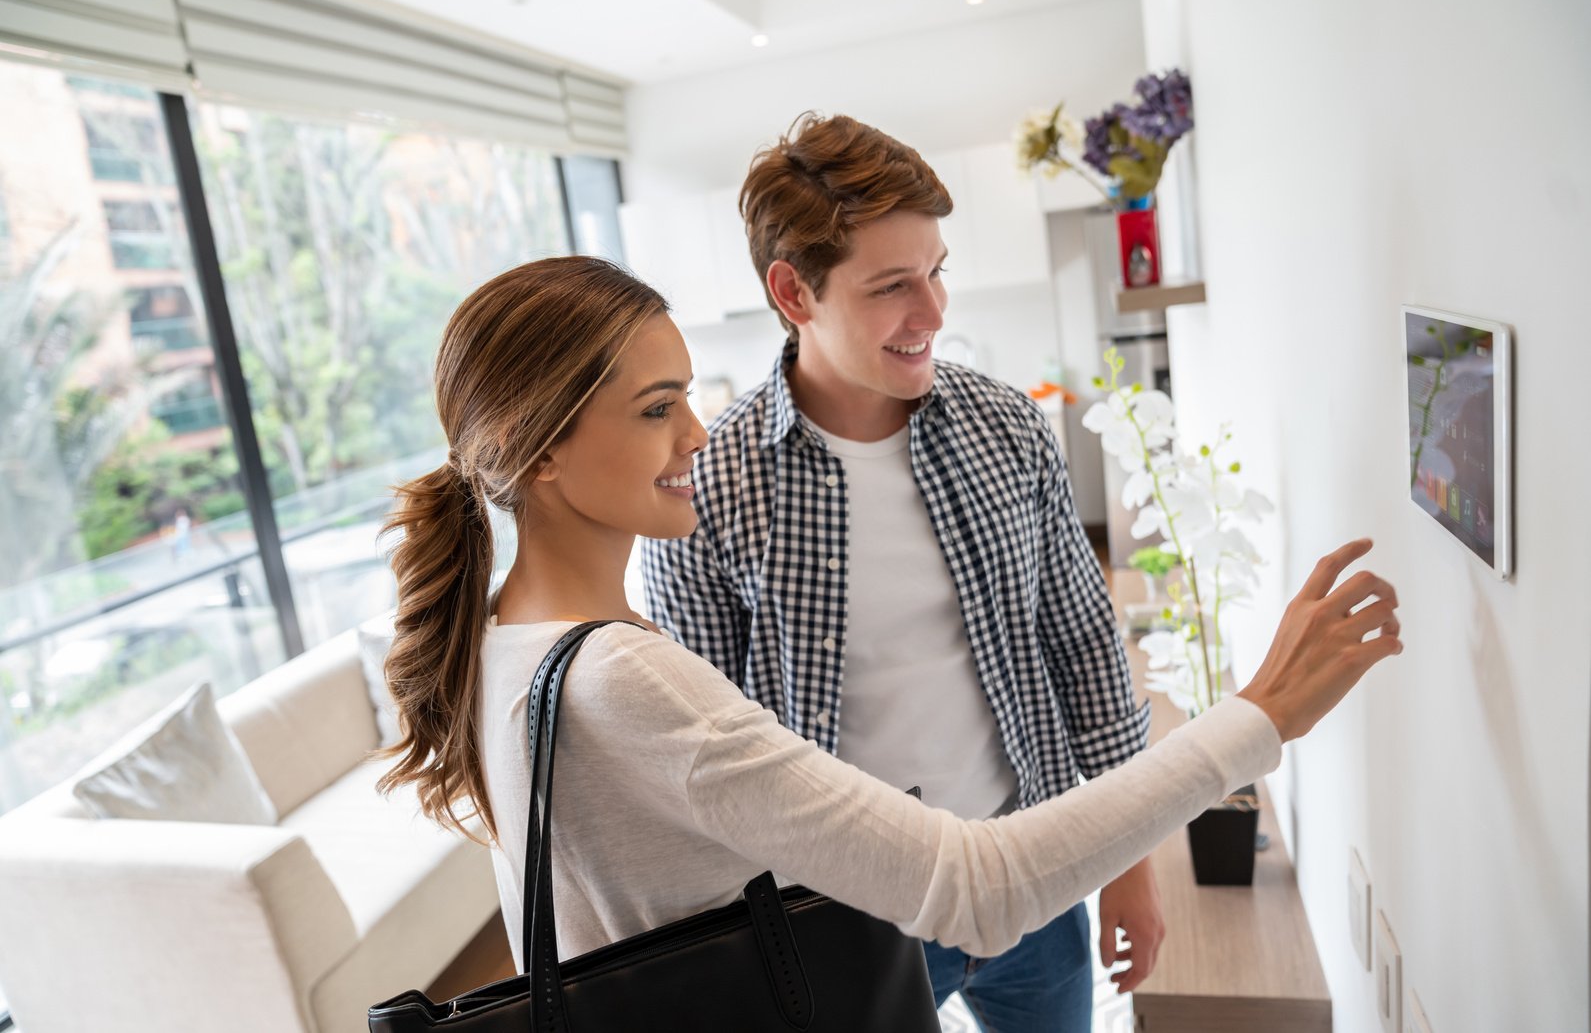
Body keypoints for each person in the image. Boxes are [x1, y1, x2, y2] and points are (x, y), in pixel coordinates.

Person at [376, 256, 1402, 999]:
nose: (695, 433)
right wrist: (1257, 714)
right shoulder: (628, 680)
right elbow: (975, 884)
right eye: (656, 408)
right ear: (535, 452)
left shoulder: (502, 640)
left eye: (686, 396)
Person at [639, 112, 1160, 1026]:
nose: (933, 313)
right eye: (891, 286)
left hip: (1026, 867)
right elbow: (705, 763)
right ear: (794, 292)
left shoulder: (1006, 425)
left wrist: (1129, 864)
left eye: (936, 272)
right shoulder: (709, 489)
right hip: (841, 914)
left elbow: (1083, 644)